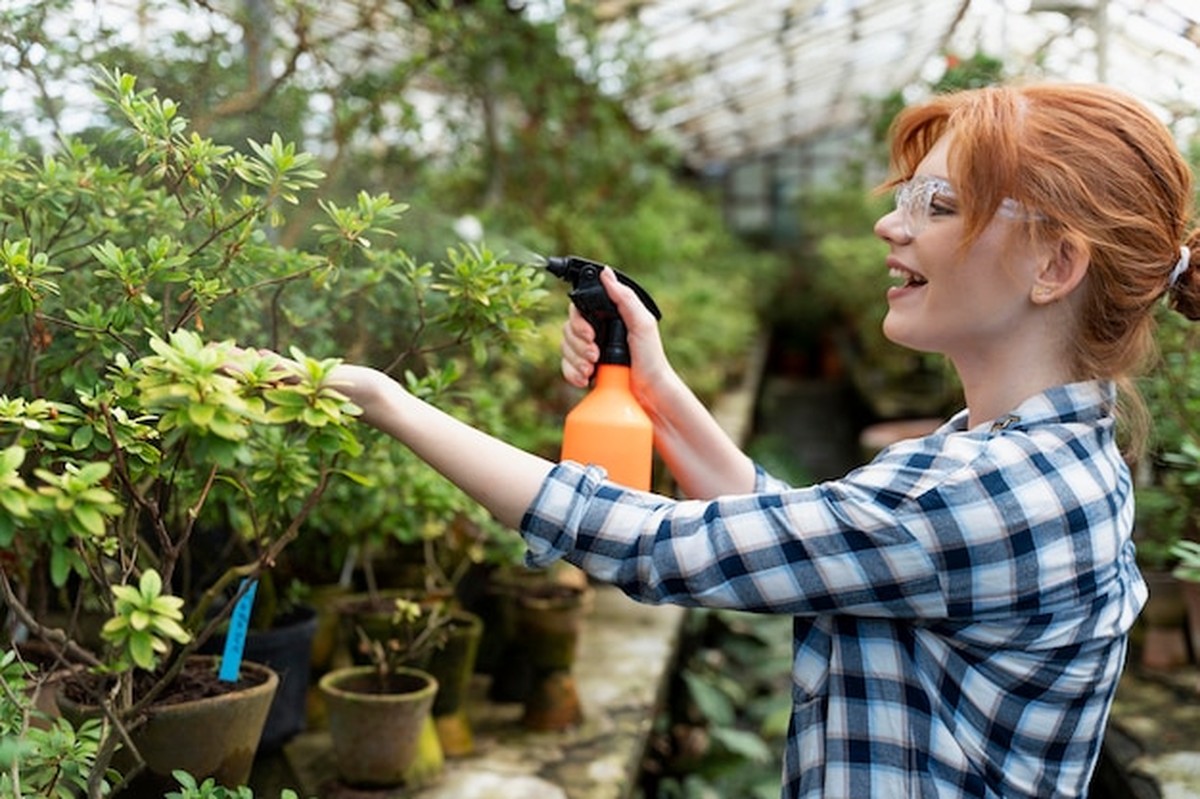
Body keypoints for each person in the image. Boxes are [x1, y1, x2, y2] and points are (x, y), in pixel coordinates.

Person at [290, 82, 1200, 797]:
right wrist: (656, 386)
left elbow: (655, 545)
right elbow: (802, 537)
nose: (892, 223)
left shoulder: (984, 494)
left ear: (1054, 264)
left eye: (941, 203)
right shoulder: (1026, 459)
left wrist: (386, 402)